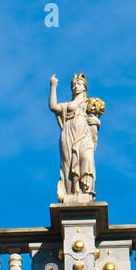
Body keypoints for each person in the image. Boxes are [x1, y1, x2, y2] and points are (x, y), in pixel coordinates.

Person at [49, 73, 101, 203]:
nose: (76, 87)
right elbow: (53, 106)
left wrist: (96, 122)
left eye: (79, 84)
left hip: (85, 135)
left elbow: (95, 120)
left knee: (87, 158)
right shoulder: (68, 104)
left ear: (84, 87)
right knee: (68, 164)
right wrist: (53, 86)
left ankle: (87, 190)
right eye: (74, 85)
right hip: (68, 135)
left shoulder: (90, 103)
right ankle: (72, 191)